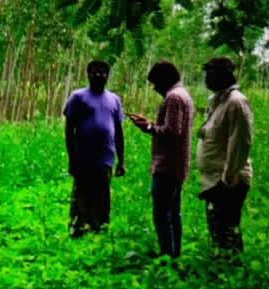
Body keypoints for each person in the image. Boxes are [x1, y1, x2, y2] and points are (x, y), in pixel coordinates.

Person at [128, 61, 194, 257]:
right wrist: (149, 123)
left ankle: (167, 255)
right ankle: (174, 254)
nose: (155, 88)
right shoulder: (184, 95)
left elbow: (172, 132)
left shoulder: (173, 98)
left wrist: (148, 127)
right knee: (173, 212)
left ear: (165, 80)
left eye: (156, 83)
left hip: (167, 165)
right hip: (177, 164)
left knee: (162, 214)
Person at [196, 57, 253, 254]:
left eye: (211, 73)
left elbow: (240, 143)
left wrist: (227, 180)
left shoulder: (236, 102)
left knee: (228, 231)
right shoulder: (217, 100)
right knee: (217, 231)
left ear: (224, 75)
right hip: (214, 180)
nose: (207, 79)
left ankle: (233, 272)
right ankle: (222, 270)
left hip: (228, 181)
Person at [64, 60, 125, 237]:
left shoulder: (114, 100)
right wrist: (72, 157)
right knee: (81, 198)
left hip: (105, 159)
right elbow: (69, 130)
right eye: (94, 72)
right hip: (83, 159)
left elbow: (119, 132)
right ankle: (78, 231)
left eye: (103, 72)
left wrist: (121, 161)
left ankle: (100, 232)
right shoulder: (77, 97)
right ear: (88, 74)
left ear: (107, 76)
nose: (99, 75)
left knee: (102, 199)